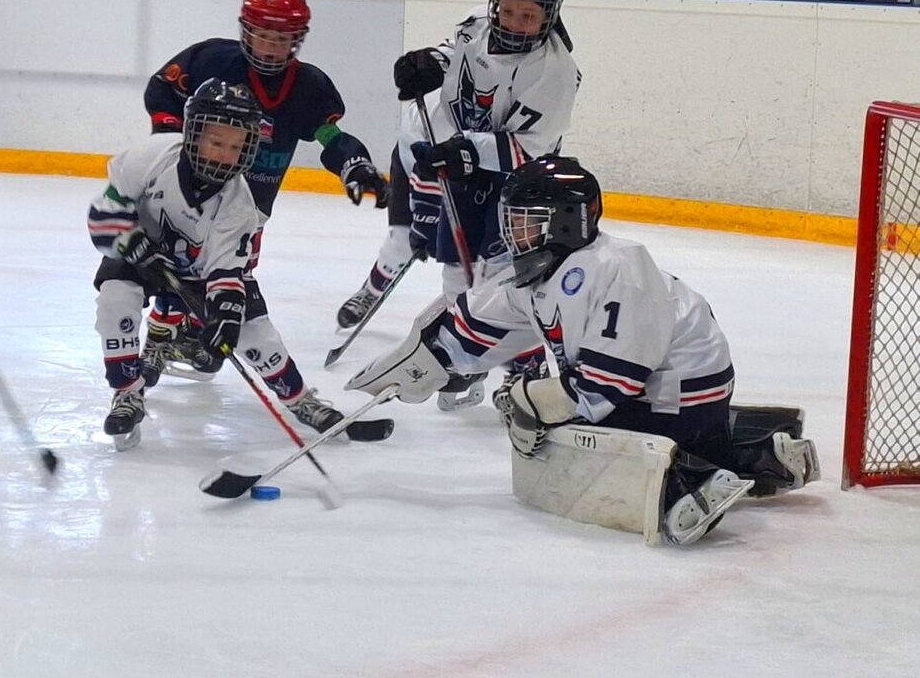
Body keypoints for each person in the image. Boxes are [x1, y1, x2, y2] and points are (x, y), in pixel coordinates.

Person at [346, 156, 820, 545]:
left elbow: (609, 385)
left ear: (568, 222)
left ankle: (688, 483)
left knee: (556, 437)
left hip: (677, 403)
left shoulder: (616, 268)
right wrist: (418, 361)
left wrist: (533, 403)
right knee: (541, 417)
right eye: (511, 222)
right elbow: (476, 323)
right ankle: (761, 452)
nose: (514, 236)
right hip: (669, 398)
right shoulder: (545, 272)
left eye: (527, 223)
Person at [336, 0, 582, 410]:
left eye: (527, 16)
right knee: (456, 270)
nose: (513, 22)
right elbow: (456, 57)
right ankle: (465, 368)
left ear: (550, 13)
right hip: (460, 164)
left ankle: (523, 374)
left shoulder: (555, 72)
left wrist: (467, 153)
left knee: (504, 280)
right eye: (506, 9)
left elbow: (530, 147)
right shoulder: (475, 23)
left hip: (514, 183)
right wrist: (429, 63)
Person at [139, 0, 391, 437]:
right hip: (190, 192)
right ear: (245, 31)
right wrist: (173, 138)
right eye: (263, 35)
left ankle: (171, 333)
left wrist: (356, 166)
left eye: (282, 38)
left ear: (297, 39)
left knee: (226, 276)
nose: (272, 47)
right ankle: (161, 332)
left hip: (249, 208)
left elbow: (333, 141)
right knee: (180, 266)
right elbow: (161, 89)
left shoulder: (308, 87)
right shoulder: (213, 61)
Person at [89, 78, 267, 449]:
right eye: (215, 141)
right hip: (138, 251)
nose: (223, 152)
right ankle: (127, 391)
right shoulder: (151, 155)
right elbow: (103, 216)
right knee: (114, 303)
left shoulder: (237, 200)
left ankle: (168, 337)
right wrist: (134, 247)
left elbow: (226, 267)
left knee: (222, 309)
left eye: (233, 145)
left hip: (191, 258)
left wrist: (226, 315)